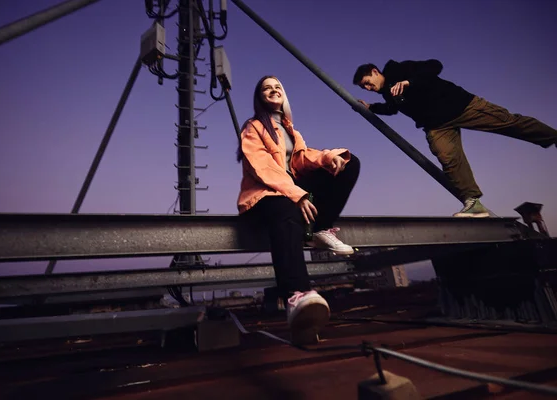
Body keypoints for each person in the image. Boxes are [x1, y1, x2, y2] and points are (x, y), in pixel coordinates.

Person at [237, 75, 360, 344]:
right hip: (263, 196)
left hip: (291, 192)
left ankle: (320, 229)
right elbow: (263, 168)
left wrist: (329, 158)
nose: (273, 90)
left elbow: (302, 159)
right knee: (285, 206)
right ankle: (297, 295)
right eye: (267, 88)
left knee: (348, 164)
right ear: (260, 97)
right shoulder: (253, 127)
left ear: (284, 95)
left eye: (278, 86)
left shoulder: (291, 130)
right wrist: (298, 194)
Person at [353, 59, 557, 217]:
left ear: (375, 72)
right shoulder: (388, 94)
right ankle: (474, 203)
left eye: (368, 83)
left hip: (462, 107)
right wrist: (371, 107)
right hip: (437, 126)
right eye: (365, 88)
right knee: (447, 158)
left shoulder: (402, 69)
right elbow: (391, 109)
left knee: (509, 123)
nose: (369, 89)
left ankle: (552, 136)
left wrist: (409, 81)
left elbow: (434, 66)